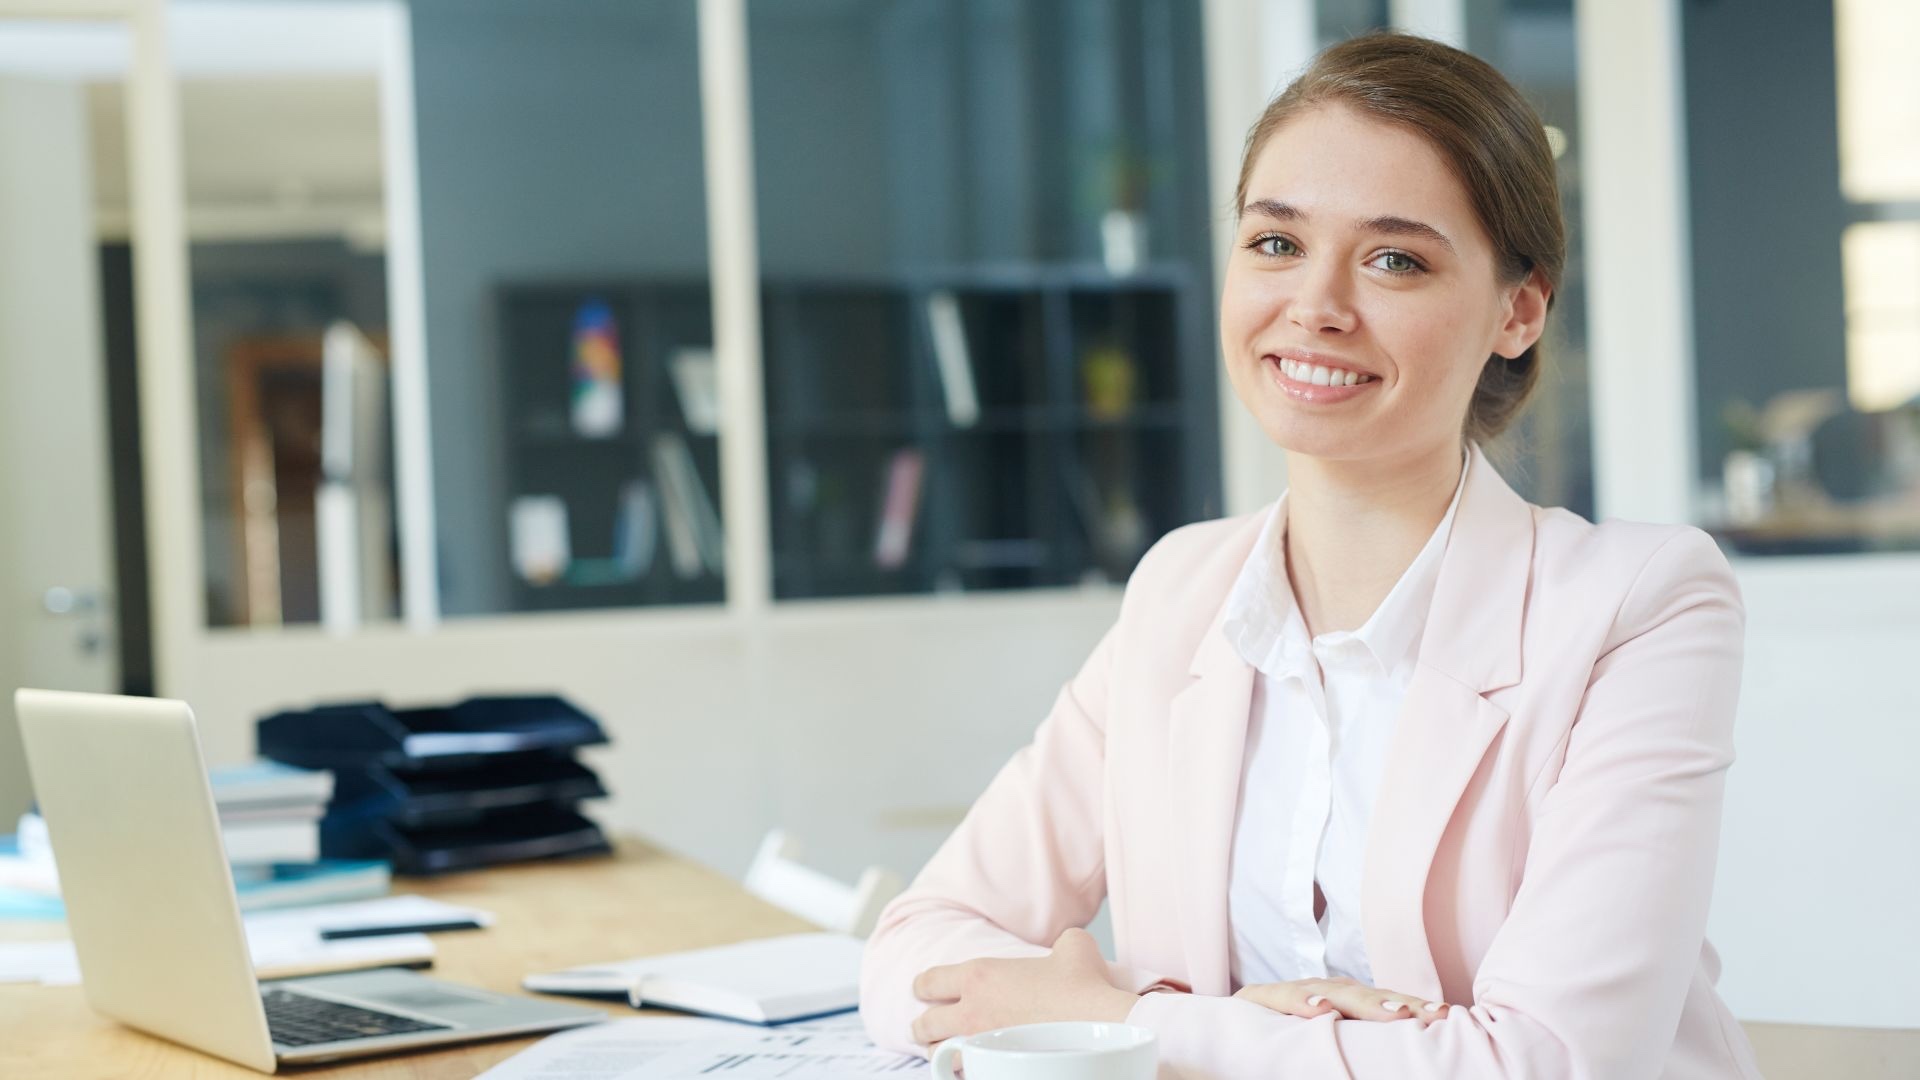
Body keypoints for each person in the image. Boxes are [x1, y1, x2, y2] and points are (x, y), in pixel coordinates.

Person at [857, 30, 1764, 1080]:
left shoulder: (1638, 607)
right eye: (1276, 244)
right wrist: (1208, 1017)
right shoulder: (1182, 592)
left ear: (1517, 309)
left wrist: (1133, 1019)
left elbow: (1547, 1064)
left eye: (1394, 260)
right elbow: (914, 953)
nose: (1316, 308)